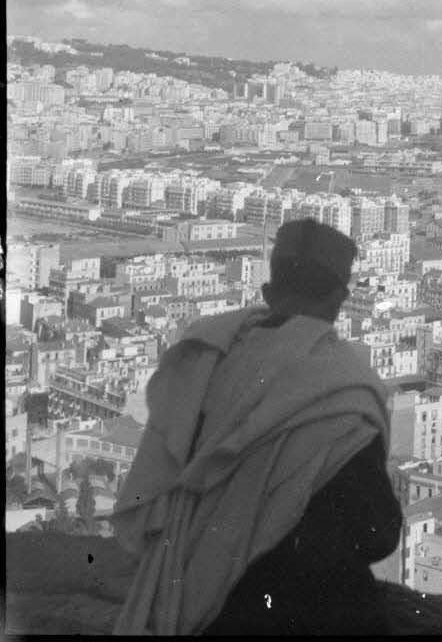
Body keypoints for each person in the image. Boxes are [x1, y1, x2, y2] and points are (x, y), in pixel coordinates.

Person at [112, 218, 402, 635]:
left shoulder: (202, 359)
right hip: (315, 615)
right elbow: (380, 534)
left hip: (198, 603)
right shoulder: (343, 388)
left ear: (268, 291)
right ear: (340, 299)